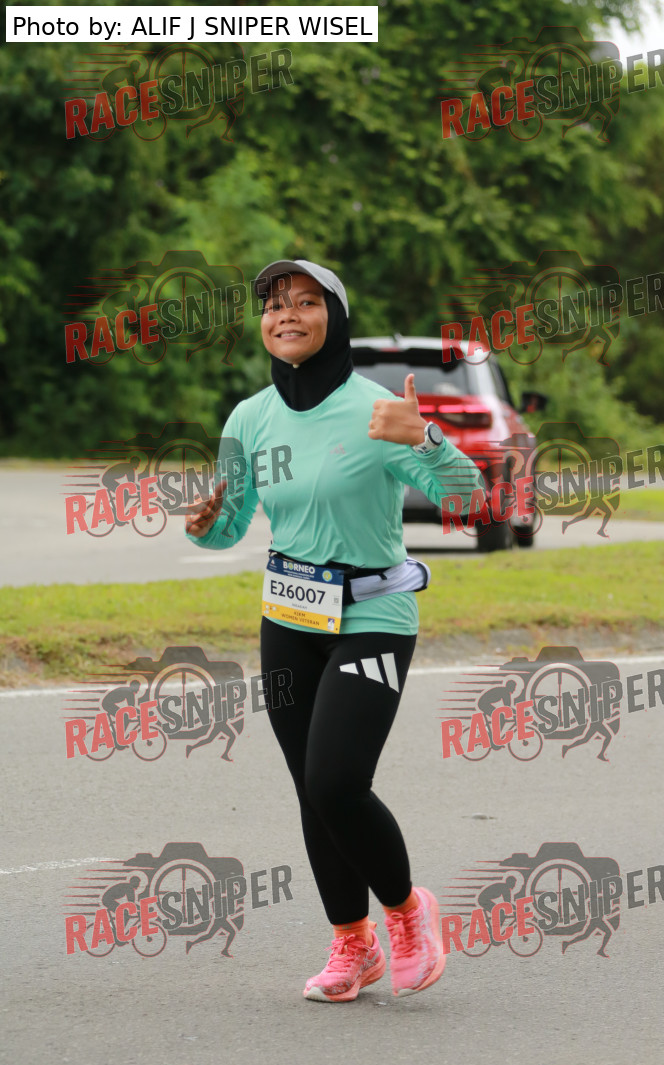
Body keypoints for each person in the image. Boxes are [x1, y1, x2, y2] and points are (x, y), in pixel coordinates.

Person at [185, 259, 484, 1002]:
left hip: (372, 617)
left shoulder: (378, 411)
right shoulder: (249, 418)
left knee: (337, 782)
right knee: (310, 791)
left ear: (336, 317)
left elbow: (470, 499)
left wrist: (426, 438)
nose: (285, 315)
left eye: (305, 303)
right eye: (273, 305)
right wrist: (204, 525)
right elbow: (231, 525)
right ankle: (353, 944)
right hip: (288, 618)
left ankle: (408, 913)